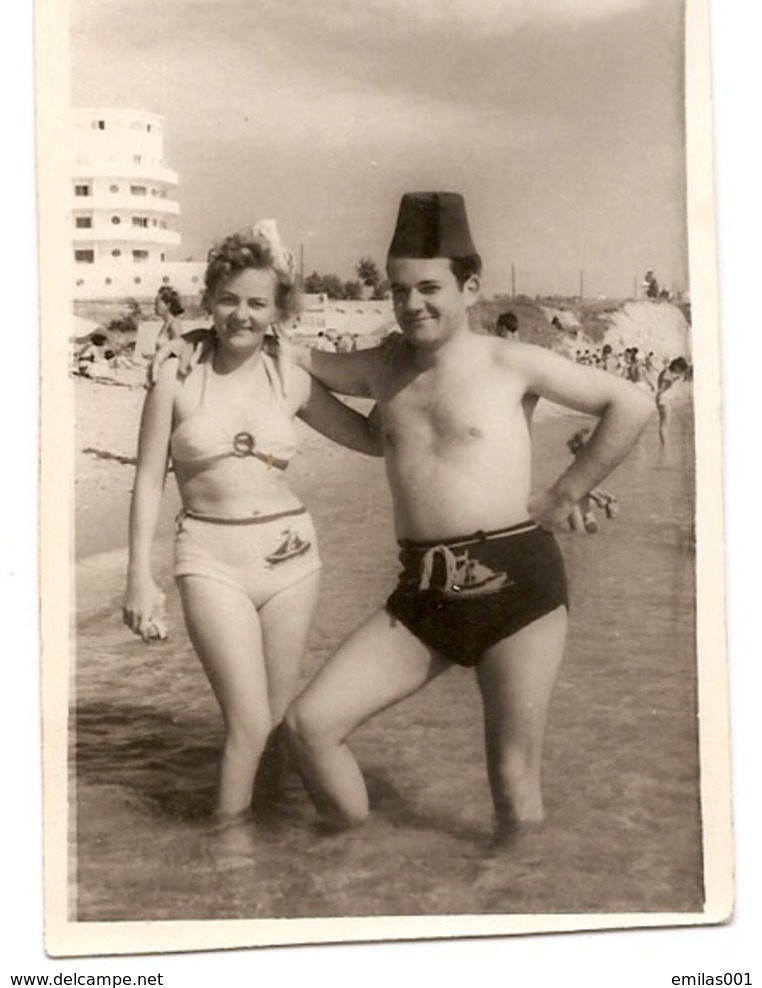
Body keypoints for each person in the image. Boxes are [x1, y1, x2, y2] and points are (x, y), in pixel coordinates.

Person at [280, 192, 654, 838]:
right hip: (423, 590)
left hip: (518, 586)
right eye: (399, 291)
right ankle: (344, 865)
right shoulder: (381, 366)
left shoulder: (510, 363)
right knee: (310, 725)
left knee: (512, 780)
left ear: (471, 286)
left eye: (429, 288)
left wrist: (565, 494)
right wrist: (211, 340)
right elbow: (293, 365)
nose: (411, 305)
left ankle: (515, 909)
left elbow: (632, 403)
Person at [124, 225, 382, 826]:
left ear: (278, 311)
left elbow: (371, 438)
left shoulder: (290, 378)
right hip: (210, 557)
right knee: (245, 724)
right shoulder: (175, 376)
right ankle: (231, 865)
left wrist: (402, 372)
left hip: (291, 559)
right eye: (229, 299)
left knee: (272, 718)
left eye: (257, 303)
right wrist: (139, 575)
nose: (242, 315)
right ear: (210, 298)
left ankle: (274, 834)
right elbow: (145, 481)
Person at [655, 356, 689, 446]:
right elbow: (662, 387)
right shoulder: (667, 373)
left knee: (664, 423)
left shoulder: (666, 372)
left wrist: (673, 380)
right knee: (664, 424)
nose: (680, 372)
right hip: (663, 399)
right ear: (676, 366)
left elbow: (663, 384)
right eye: (680, 369)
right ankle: (664, 446)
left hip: (662, 399)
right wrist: (671, 382)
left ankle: (664, 444)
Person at [153, 285, 185, 353]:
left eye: (157, 304)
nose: (154, 307)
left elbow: (179, 352)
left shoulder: (174, 324)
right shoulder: (166, 323)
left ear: (168, 305)